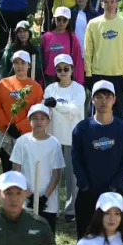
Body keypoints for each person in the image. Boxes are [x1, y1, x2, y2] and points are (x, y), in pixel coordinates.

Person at [71, 80, 123, 238]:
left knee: (115, 240)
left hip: (115, 194)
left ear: (114, 99)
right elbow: (76, 159)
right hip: (88, 194)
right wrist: (84, 185)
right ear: (92, 100)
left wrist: (115, 186)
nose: (103, 101)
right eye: (99, 96)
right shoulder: (82, 129)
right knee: (86, 239)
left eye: (107, 96)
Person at [44, 54, 86, 222]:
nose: (63, 72)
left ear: (72, 69)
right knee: (53, 176)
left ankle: (71, 210)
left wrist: (57, 104)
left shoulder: (79, 89)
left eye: (66, 69)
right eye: (59, 69)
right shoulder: (50, 89)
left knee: (71, 177)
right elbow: (46, 110)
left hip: (72, 138)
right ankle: (51, 208)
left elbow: (74, 111)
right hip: (53, 139)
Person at [10, 103, 65, 230]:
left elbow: (57, 174)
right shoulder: (22, 142)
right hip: (25, 200)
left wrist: (44, 198)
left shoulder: (54, 143)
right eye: (35, 118)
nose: (38, 121)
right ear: (29, 121)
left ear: (48, 122)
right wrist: (27, 195)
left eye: (42, 118)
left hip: (48, 203)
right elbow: (16, 171)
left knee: (46, 239)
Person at [85, 0, 123, 120]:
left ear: (117, 3)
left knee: (118, 114)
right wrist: (88, 74)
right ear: (101, 4)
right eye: (106, 2)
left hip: (117, 75)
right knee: (96, 112)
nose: (110, 4)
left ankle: (119, 139)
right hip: (98, 73)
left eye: (112, 1)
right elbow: (88, 51)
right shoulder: (93, 24)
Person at [0, 50, 44, 173]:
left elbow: (36, 111)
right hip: (5, 132)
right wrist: (7, 126)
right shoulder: (3, 84)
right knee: (7, 168)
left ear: (29, 65)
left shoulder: (36, 88)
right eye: (16, 63)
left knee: (24, 170)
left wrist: (20, 127)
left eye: (23, 63)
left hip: (25, 134)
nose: (20, 66)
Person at [42, 6, 85, 84]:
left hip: (66, 77)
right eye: (58, 19)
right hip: (49, 77)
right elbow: (41, 60)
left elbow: (77, 60)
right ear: (54, 19)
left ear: (68, 21)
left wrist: (79, 81)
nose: (61, 22)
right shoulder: (45, 37)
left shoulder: (73, 38)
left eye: (64, 20)